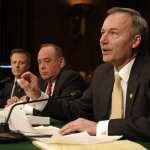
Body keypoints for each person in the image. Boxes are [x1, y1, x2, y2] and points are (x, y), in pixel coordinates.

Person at [18, 7, 150, 141]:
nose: (102, 40)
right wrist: (38, 96)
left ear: (135, 41)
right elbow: (77, 110)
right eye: (102, 32)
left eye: (113, 33)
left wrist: (100, 128)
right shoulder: (102, 73)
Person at [24, 43, 87, 116]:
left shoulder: (70, 78)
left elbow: (63, 110)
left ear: (61, 62)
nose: (42, 66)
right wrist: (22, 101)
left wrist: (30, 109)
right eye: (39, 62)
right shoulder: (41, 81)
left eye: (47, 61)